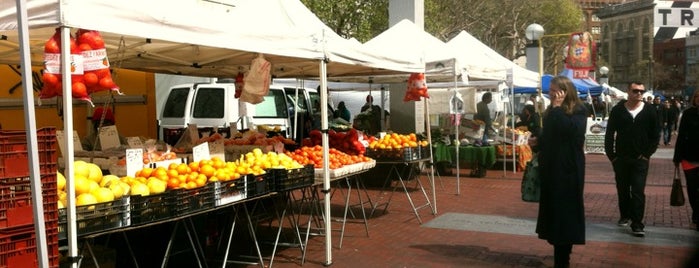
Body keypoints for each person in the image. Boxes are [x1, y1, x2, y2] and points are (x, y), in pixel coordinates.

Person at [534, 76, 587, 268]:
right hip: (551, 169)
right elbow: (550, 136)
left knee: (566, 213)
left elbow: (570, 131)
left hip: (568, 170)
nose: (551, 95)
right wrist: (538, 142)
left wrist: (556, 109)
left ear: (564, 91)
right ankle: (561, 249)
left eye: (554, 91)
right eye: (550, 91)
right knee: (555, 213)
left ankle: (563, 257)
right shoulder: (551, 111)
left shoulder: (579, 110)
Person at [604, 81, 660, 237]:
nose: (639, 94)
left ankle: (637, 223)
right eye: (635, 91)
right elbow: (609, 134)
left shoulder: (649, 111)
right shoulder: (618, 111)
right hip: (621, 158)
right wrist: (612, 156)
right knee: (622, 190)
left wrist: (646, 155)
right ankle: (625, 214)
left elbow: (655, 135)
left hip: (640, 159)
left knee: (637, 191)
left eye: (642, 91)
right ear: (628, 91)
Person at [673, 89, 699, 230]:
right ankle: (696, 211)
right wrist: (677, 157)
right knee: (692, 188)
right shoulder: (688, 114)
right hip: (688, 157)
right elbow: (681, 136)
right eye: (697, 97)